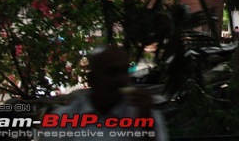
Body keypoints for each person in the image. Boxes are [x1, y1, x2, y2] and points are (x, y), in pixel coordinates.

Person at [40, 44, 168, 141]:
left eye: (124, 71)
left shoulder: (143, 114)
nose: (121, 79)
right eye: (111, 73)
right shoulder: (62, 120)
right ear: (92, 79)